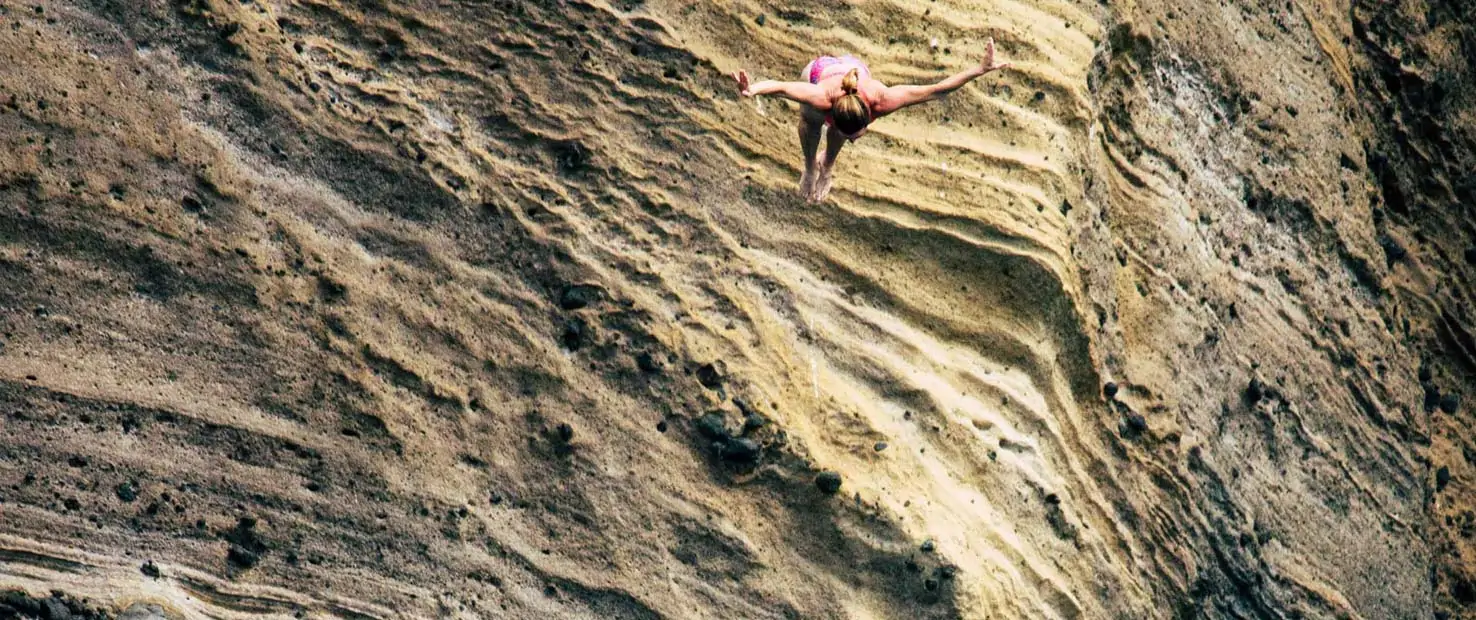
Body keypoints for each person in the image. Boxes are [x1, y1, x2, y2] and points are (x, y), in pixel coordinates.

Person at [733, 38, 1012, 203]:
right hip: (822, 72)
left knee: (837, 135)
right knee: (810, 120)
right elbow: (782, 87)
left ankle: (826, 165)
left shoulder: (882, 100)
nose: (856, 139)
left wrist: (979, 70)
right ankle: (810, 168)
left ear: (870, 115)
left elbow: (936, 91)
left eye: (857, 134)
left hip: (856, 73)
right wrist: (752, 89)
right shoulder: (822, 98)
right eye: (852, 135)